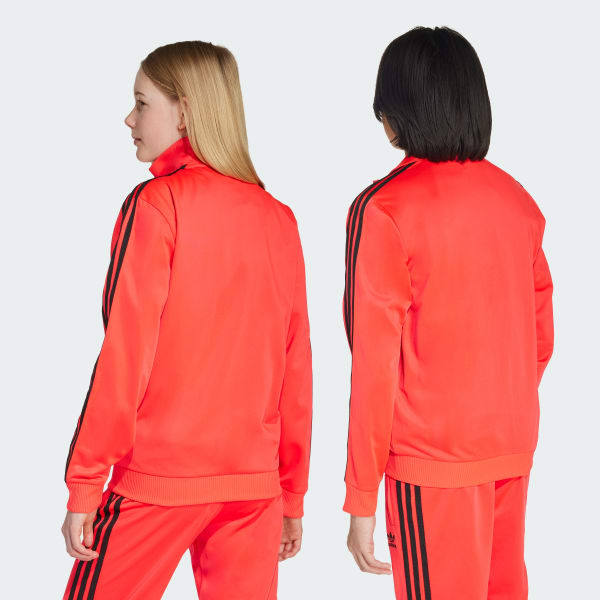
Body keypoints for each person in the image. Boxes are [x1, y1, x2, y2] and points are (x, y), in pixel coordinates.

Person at [61, 40, 313, 600]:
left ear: (184, 111)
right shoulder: (279, 219)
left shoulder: (157, 205)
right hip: (253, 488)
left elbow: (124, 355)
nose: (129, 120)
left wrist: (85, 484)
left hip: (160, 480)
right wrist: (290, 493)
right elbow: (295, 368)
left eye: (141, 103)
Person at [343, 26, 553, 599]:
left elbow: (374, 364)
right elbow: (540, 336)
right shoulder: (517, 201)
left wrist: (360, 496)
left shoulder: (383, 209)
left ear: (394, 113)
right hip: (509, 447)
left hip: (431, 465)